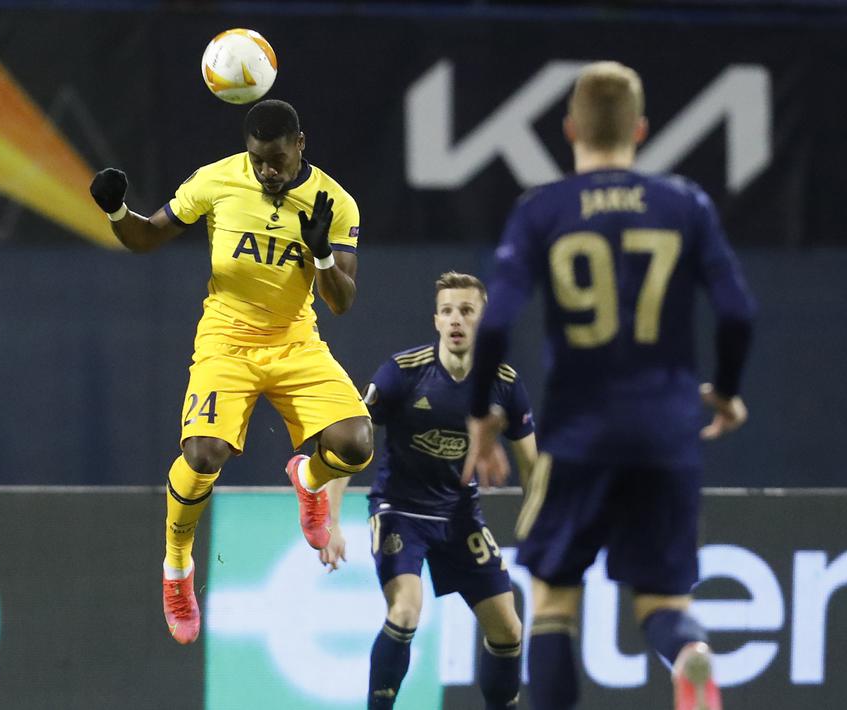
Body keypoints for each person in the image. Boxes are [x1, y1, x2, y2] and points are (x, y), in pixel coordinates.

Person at [462, 62, 756, 710]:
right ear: (641, 130)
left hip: (578, 434)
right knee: (662, 600)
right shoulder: (685, 204)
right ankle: (687, 654)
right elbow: (736, 312)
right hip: (667, 433)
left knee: (553, 599)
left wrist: (481, 414)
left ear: (568, 129)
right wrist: (728, 392)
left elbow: (496, 325)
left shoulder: (542, 209)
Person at [88, 99, 375, 645]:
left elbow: (341, 302)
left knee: (357, 444)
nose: (268, 171)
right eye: (259, 160)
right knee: (202, 454)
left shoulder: (335, 203)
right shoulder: (216, 180)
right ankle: (177, 571)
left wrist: (320, 257)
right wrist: (117, 211)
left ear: (301, 145)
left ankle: (308, 479)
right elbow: (148, 235)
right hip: (227, 341)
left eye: (278, 160)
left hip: (295, 341)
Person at [322, 271, 535, 710]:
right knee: (405, 612)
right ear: (436, 320)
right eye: (447, 311)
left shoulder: (505, 383)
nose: (456, 320)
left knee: (509, 630)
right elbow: (349, 446)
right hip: (400, 511)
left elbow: (533, 465)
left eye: (467, 311)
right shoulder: (402, 373)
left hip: (460, 517)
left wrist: (541, 525)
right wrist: (330, 521)